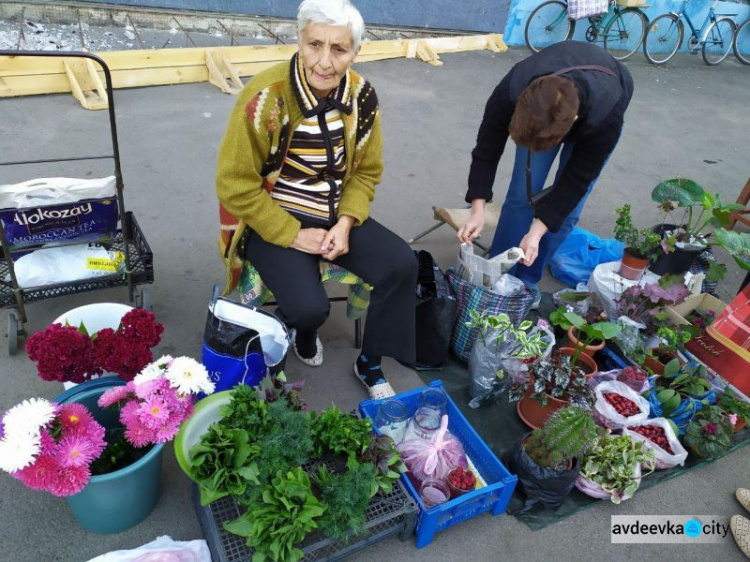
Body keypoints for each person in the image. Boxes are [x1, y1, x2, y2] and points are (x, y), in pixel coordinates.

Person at [215, 0, 416, 399]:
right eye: (314, 45)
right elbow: (234, 183)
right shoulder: (266, 97)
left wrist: (345, 223)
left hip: (333, 211)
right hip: (273, 214)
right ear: (299, 41)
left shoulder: (362, 97)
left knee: (402, 265)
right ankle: (300, 336)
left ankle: (370, 362)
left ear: (356, 52)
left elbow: (365, 172)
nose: (324, 61)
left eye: (339, 49)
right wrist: (291, 234)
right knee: (310, 309)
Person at [457, 41, 634, 307]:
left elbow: (575, 182)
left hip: (597, 110)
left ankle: (525, 283)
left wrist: (537, 232)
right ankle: (498, 277)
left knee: (565, 214)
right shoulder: (515, 87)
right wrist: (477, 208)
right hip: (551, 99)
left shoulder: (605, 115)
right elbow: (486, 149)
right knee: (521, 196)